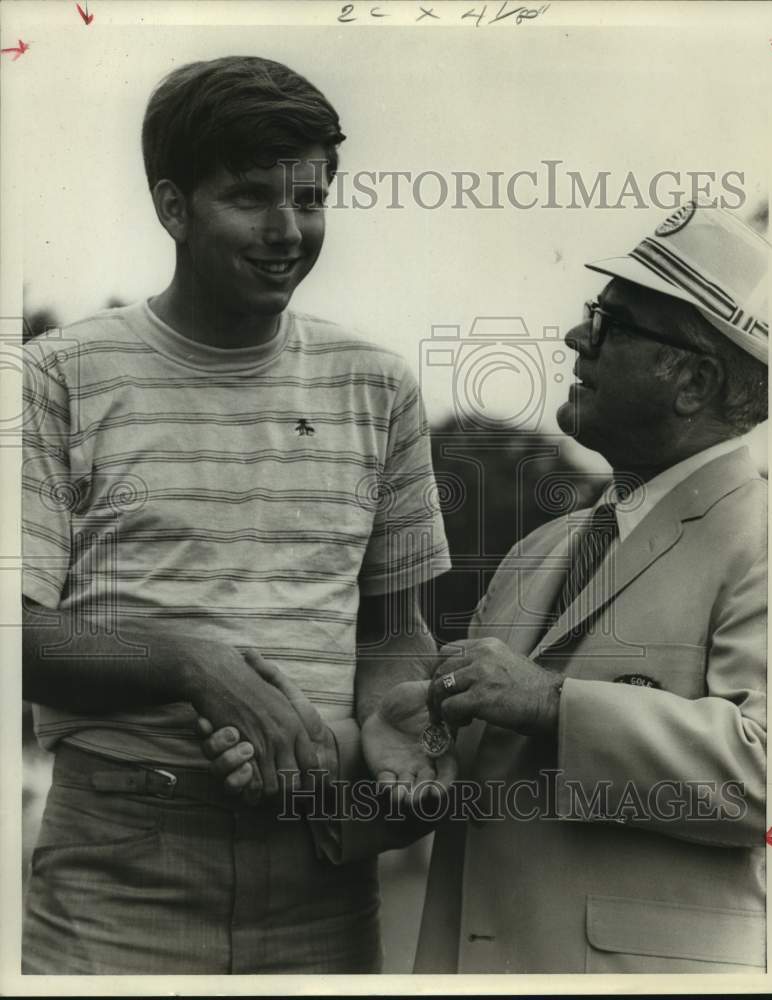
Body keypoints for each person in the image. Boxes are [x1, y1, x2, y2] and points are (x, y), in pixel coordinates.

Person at [21, 55, 451, 974]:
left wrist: (390, 722)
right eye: (252, 198)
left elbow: (395, 634)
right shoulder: (53, 376)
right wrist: (191, 664)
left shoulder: (377, 386)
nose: (287, 231)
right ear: (172, 207)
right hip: (117, 862)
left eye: (311, 199)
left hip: (324, 862)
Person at [412, 201, 769, 973]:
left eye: (609, 323)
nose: (578, 339)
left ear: (694, 380)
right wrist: (411, 737)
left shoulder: (769, 538)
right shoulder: (538, 551)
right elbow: (482, 774)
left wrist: (549, 703)